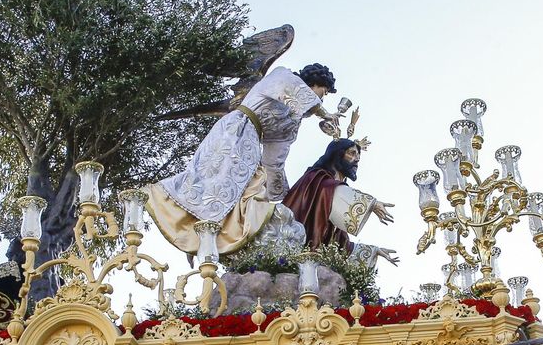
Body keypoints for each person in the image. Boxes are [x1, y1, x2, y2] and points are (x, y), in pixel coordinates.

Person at [148, 63, 342, 256]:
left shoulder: (292, 119)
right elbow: (288, 86)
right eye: (322, 93)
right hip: (235, 130)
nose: (320, 99)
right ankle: (156, 196)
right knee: (210, 180)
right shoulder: (283, 75)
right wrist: (323, 113)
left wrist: (282, 196)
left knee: (239, 192)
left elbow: (275, 158)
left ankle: (214, 234)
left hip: (250, 145)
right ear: (314, 83)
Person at [281, 138, 394, 253]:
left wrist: (372, 252)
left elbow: (341, 245)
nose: (357, 160)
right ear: (337, 155)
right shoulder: (316, 178)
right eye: (352, 153)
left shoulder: (336, 207)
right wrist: (371, 204)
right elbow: (328, 190)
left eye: (358, 156)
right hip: (293, 251)